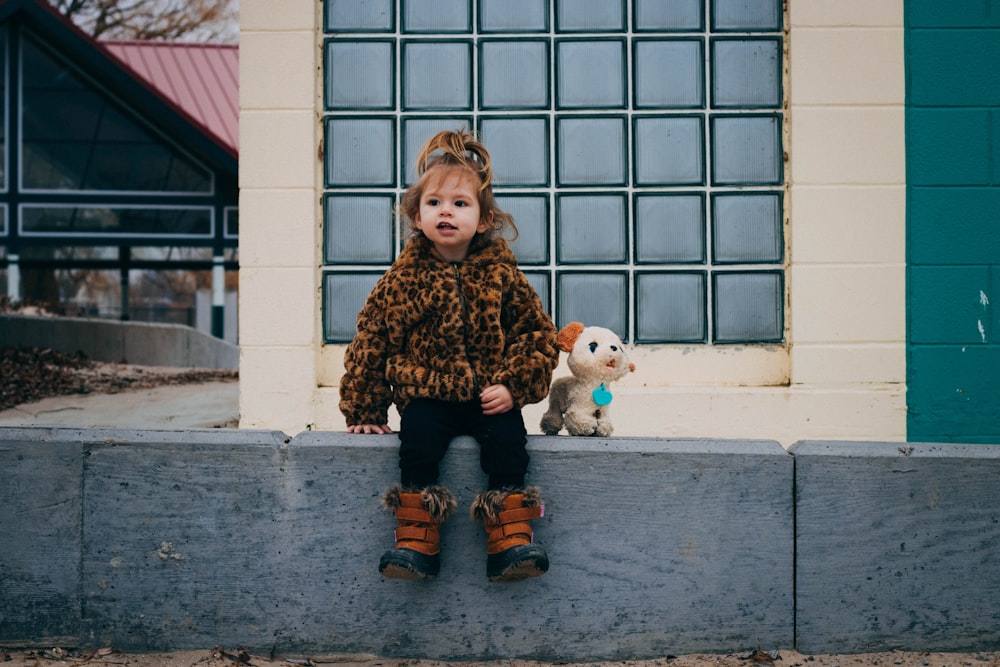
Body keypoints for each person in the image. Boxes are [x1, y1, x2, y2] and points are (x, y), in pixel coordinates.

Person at [339, 129, 560, 582]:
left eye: (460, 204)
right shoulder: (402, 280)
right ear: (417, 216)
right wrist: (365, 406)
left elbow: (536, 333)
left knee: (507, 445)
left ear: (482, 220)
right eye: (434, 203)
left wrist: (513, 386)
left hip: (489, 396)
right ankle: (417, 539)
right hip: (428, 395)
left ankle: (510, 537)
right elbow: (372, 339)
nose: (446, 211)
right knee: (417, 441)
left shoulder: (502, 275)